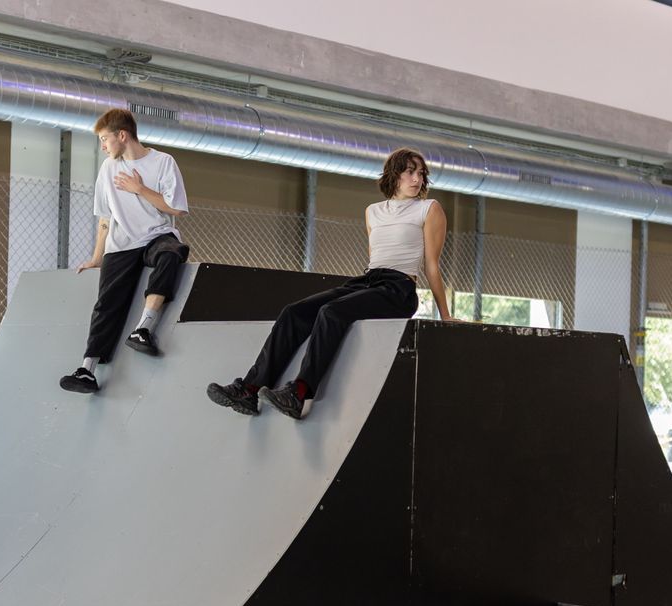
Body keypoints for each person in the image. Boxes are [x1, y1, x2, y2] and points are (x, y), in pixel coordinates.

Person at [206, 147, 450, 420]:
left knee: (332, 312)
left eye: (421, 173)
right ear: (394, 174)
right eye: (409, 172)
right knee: (293, 313)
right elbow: (375, 257)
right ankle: (250, 389)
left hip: (398, 289)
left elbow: (431, 265)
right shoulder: (373, 212)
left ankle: (298, 393)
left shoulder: (429, 209)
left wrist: (446, 315)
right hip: (368, 280)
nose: (416, 179)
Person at [59, 108, 190, 394]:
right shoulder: (108, 168)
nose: (103, 146)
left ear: (122, 135)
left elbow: (177, 208)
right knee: (107, 303)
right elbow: (105, 218)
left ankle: (144, 328)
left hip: (156, 236)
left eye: (105, 139)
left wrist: (139, 189)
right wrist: (96, 258)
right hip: (122, 244)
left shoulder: (163, 162)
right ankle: (87, 369)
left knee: (172, 253)